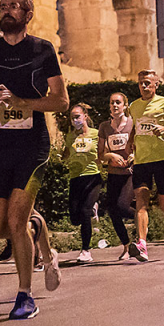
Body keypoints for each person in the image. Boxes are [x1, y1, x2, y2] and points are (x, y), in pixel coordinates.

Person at [0, 0, 69, 318]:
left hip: (33, 147)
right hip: (1, 145)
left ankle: (25, 296)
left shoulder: (42, 50)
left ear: (28, 15)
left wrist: (22, 103)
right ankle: (38, 226)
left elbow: (61, 101)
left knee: (15, 221)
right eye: (3, 7)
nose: (7, 11)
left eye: (15, 7)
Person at [129, 70, 164, 256]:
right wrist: (129, 144)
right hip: (141, 161)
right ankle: (142, 243)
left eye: (148, 83)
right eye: (141, 83)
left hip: (162, 158)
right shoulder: (134, 106)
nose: (144, 86)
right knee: (141, 203)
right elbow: (135, 127)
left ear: (156, 85)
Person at [50, 104, 103, 262]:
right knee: (74, 218)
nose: (75, 120)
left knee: (85, 212)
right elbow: (67, 151)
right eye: (72, 118)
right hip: (76, 178)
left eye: (77, 116)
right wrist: (61, 157)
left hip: (92, 177)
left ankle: (86, 251)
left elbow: (102, 151)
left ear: (85, 116)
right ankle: (93, 207)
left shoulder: (96, 134)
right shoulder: (70, 136)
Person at [99, 91, 141, 260]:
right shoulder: (104, 127)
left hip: (130, 172)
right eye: (112, 102)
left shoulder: (133, 124)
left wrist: (134, 156)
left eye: (118, 102)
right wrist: (111, 157)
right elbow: (100, 154)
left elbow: (141, 146)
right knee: (113, 211)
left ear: (125, 105)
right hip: (113, 173)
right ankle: (126, 246)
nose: (115, 105)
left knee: (123, 206)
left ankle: (142, 217)